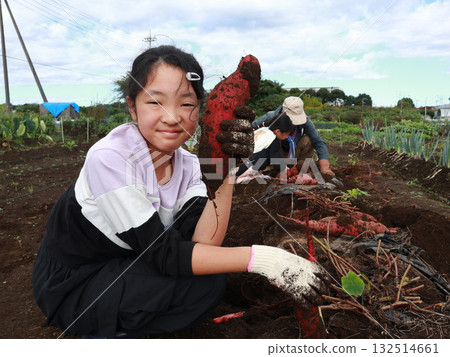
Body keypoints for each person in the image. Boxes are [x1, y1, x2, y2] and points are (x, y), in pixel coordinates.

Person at [32, 45, 329, 338]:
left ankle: (125, 315)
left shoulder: (187, 162)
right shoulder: (111, 157)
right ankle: (101, 330)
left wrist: (224, 169)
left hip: (128, 259)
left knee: (208, 282)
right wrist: (267, 260)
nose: (172, 117)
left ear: (199, 109)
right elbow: (164, 254)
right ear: (132, 106)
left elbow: (204, 240)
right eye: (154, 102)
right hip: (76, 276)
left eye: (186, 104)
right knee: (190, 273)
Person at [252, 96, 335, 178]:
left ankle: (297, 168)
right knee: (271, 137)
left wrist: (325, 168)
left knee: (308, 139)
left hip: (293, 155)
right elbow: (251, 131)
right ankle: (273, 170)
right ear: (283, 113)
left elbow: (318, 142)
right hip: (273, 155)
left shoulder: (306, 122)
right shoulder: (270, 117)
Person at [235, 112, 293, 180]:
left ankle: (256, 173)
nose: (287, 137)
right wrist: (284, 168)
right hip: (243, 166)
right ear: (278, 131)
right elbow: (276, 161)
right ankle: (244, 176)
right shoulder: (273, 139)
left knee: (264, 153)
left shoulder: (263, 129)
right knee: (267, 154)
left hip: (237, 162)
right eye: (287, 134)